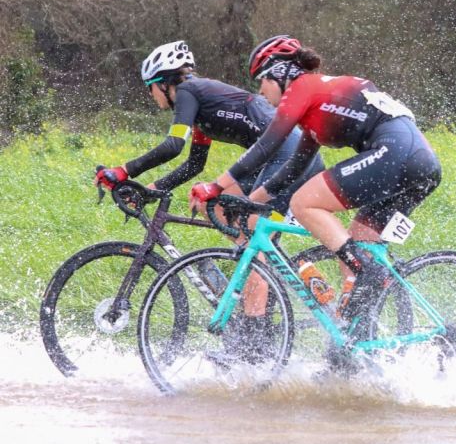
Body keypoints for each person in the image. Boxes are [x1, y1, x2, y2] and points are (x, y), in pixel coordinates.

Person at [188, 35, 442, 361]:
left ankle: (366, 271)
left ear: (281, 73)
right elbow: (293, 168)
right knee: (361, 239)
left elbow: (267, 145)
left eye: (262, 79)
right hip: (419, 163)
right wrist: (253, 201)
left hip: (397, 152)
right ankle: (354, 353)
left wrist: (216, 186)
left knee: (304, 203)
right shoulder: (316, 107)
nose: (260, 90)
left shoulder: (303, 87)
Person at [95, 40, 324, 356]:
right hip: (280, 156)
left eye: (150, 88)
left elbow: (173, 146)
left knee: (252, 245)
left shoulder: (188, 92)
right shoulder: (202, 104)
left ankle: (252, 343)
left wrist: (123, 171)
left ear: (163, 83)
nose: (151, 96)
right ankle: (261, 280)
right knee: (211, 206)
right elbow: (194, 164)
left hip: (288, 157)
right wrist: (153, 189)